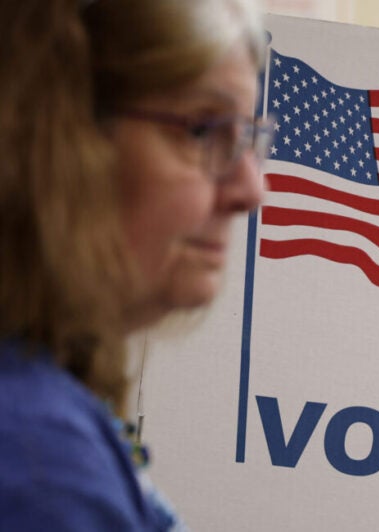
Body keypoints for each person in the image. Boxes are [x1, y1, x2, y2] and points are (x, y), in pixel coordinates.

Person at [0, 0, 269, 529]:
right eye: (202, 130)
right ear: (52, 136)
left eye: (246, 139)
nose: (251, 190)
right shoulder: (37, 462)